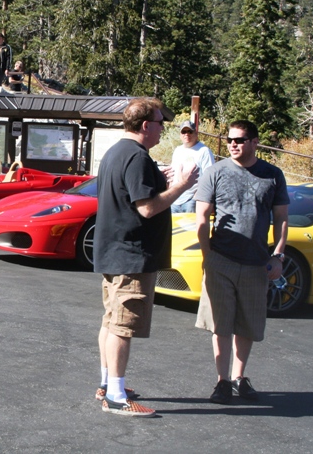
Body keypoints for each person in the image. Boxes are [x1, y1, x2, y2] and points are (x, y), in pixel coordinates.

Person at [93, 98, 199, 417]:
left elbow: (132, 193)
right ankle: (115, 396)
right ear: (145, 126)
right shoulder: (137, 157)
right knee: (122, 325)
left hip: (114, 252)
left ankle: (107, 384)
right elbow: (148, 208)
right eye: (160, 123)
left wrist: (159, 178)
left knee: (111, 321)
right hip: (131, 256)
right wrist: (182, 185)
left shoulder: (117, 153)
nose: (163, 129)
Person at [194, 120, 289, 404]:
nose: (233, 144)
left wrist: (278, 255)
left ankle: (239, 377)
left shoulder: (272, 175)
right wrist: (208, 256)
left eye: (239, 140)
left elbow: (281, 218)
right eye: (230, 140)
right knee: (221, 324)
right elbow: (202, 217)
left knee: (248, 324)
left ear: (255, 142)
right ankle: (222, 381)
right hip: (221, 259)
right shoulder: (215, 172)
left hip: (256, 263)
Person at [170, 120, 215, 213]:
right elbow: (172, 174)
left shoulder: (204, 151)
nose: (187, 134)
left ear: (196, 133)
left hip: (191, 200)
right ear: (180, 135)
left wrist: (196, 197)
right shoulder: (177, 150)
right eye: (184, 132)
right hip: (175, 199)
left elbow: (209, 178)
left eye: (190, 131)